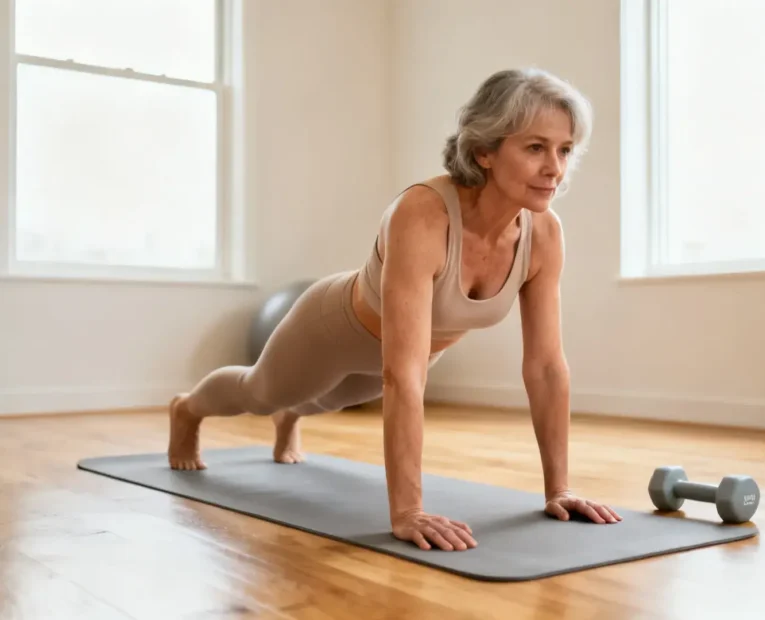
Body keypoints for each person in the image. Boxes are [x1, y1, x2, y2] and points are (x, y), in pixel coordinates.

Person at [167, 67, 622, 552]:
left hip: (411, 352)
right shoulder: (423, 214)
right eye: (535, 148)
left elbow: (547, 366)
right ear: (484, 151)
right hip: (333, 329)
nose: (555, 167)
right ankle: (188, 410)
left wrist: (560, 489)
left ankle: (292, 417)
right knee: (260, 392)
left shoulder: (544, 234)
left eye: (565, 149)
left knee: (323, 401)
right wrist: (407, 511)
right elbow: (401, 376)